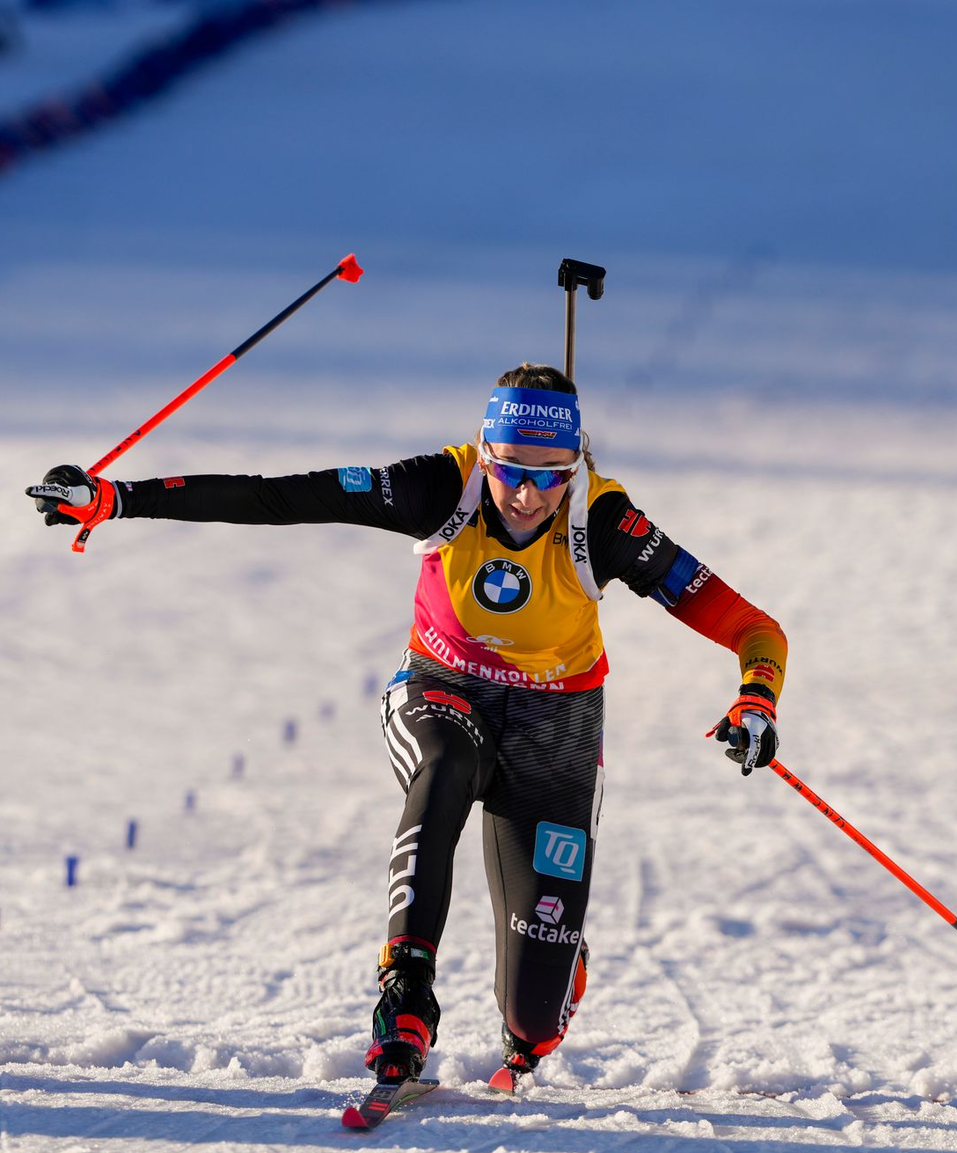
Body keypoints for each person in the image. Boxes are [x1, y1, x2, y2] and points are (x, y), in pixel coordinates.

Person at [26, 363, 788, 1087]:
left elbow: (755, 627)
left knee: (534, 1024)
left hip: (556, 724)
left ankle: (548, 974)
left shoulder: (606, 521)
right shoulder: (438, 486)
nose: (525, 494)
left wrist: (756, 698)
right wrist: (114, 498)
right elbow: (279, 497)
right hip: (442, 689)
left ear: (574, 467)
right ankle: (406, 991)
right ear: (483, 451)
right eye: (509, 468)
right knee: (446, 762)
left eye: (548, 475)